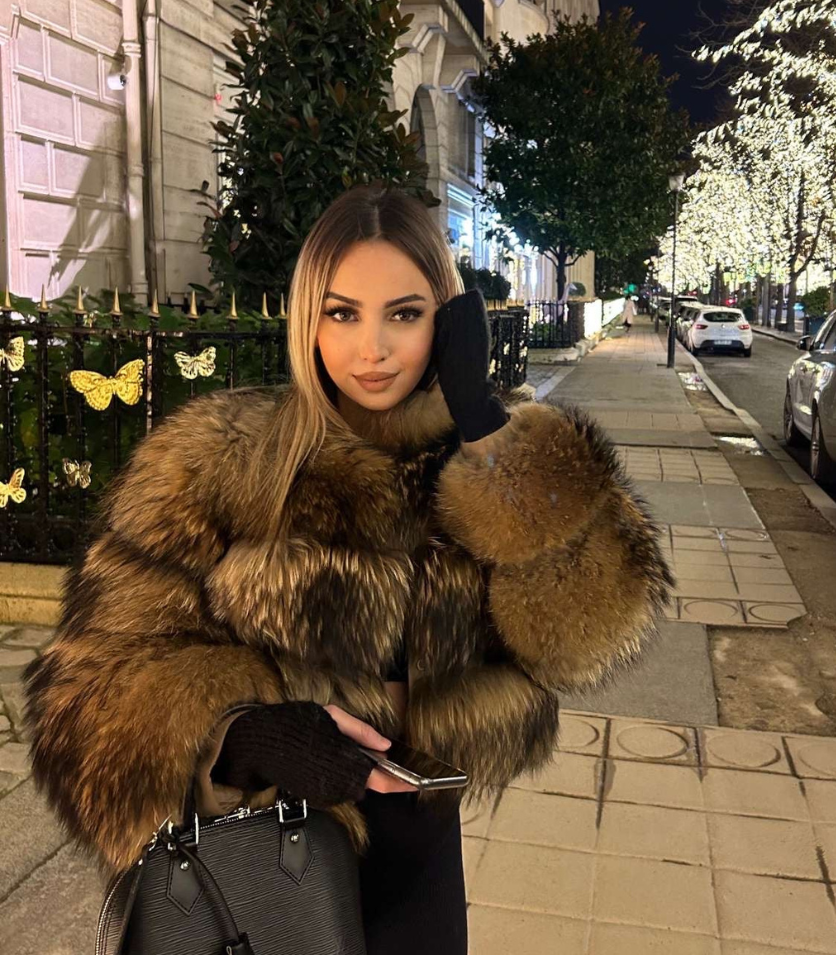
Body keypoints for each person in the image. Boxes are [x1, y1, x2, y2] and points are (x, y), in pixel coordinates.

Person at [22, 185, 673, 954]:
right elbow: (83, 691)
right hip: (264, 857)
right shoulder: (215, 461)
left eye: (404, 313)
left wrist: (487, 428)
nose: (373, 348)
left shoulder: (479, 460)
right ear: (308, 318)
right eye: (341, 313)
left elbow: (589, 631)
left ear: (446, 318)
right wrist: (238, 737)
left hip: (421, 854)